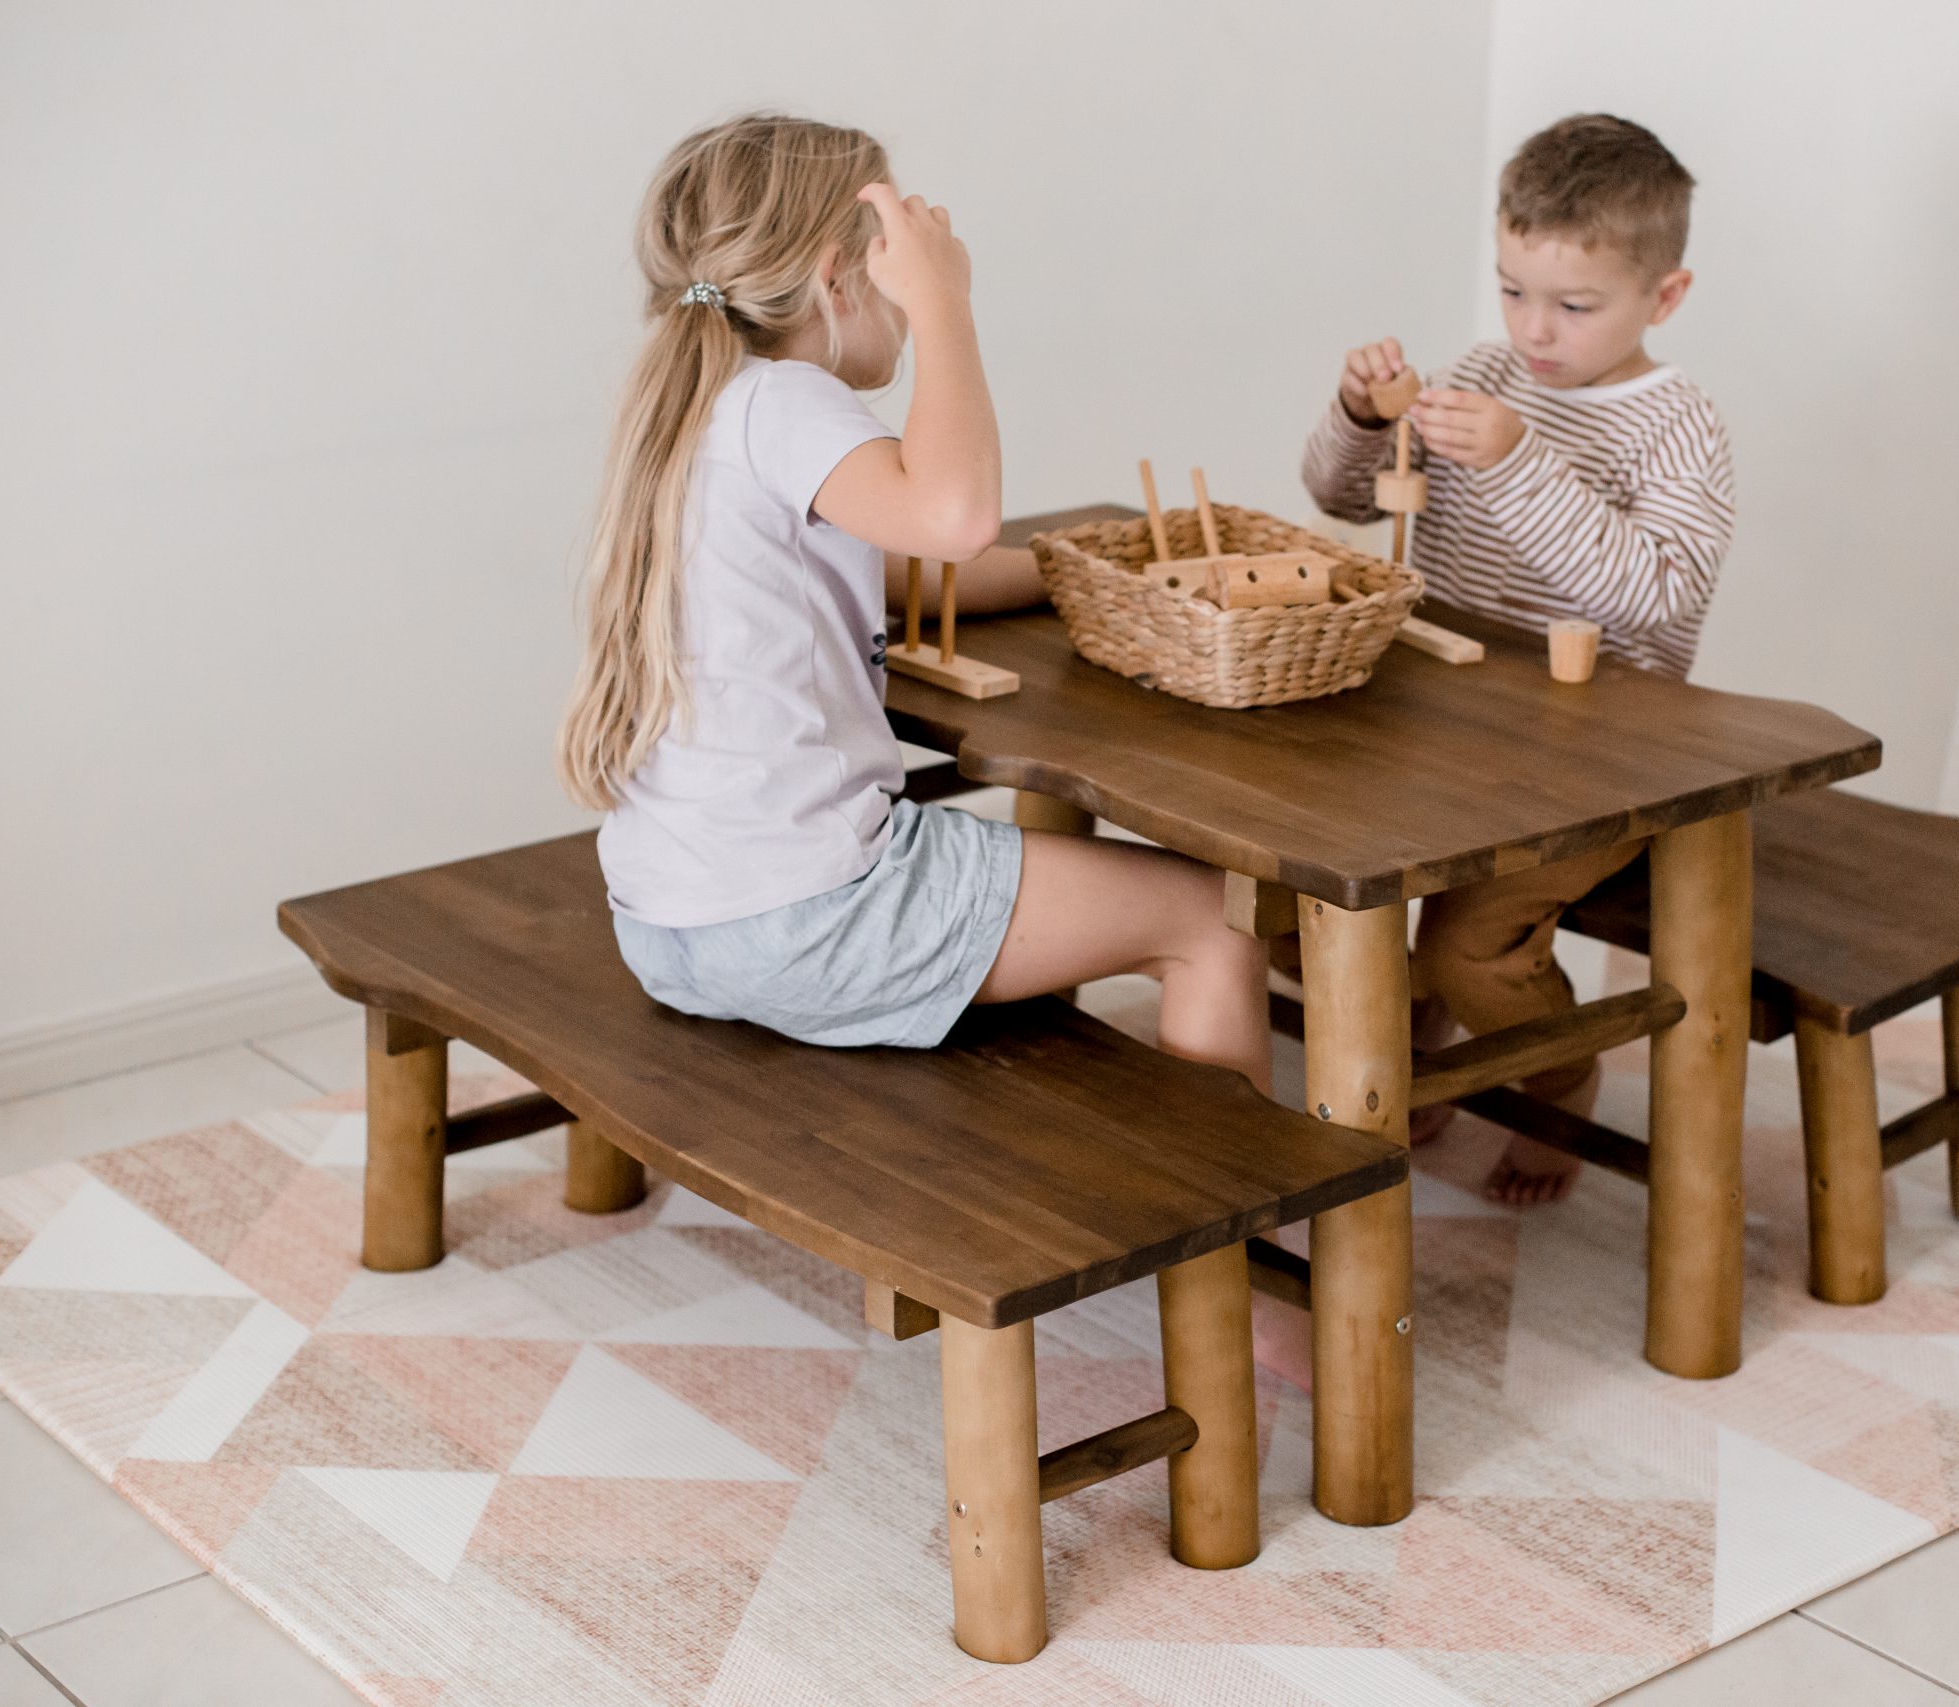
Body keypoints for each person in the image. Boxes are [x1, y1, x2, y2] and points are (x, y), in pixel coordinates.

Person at [559, 114, 1269, 1092]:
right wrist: (945, 309)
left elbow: (891, 565)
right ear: (835, 279)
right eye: (888, 274)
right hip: (805, 921)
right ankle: (1233, 1228)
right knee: (1213, 919)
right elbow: (954, 518)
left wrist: (1081, 569)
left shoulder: (698, 407)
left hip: (671, 922)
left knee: (1082, 887)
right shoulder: (783, 400)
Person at [1301, 113, 1736, 1204]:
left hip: (1598, 756)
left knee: (1469, 950)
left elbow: (1651, 593)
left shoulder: (1677, 427)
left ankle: (1554, 1087)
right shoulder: (1490, 370)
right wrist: (1362, 418)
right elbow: (1347, 498)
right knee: (1309, 879)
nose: (1533, 331)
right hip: (1444, 723)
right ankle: (1424, 1057)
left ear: (1664, 297)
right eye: (1511, 290)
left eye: (1573, 306)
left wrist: (1517, 459)